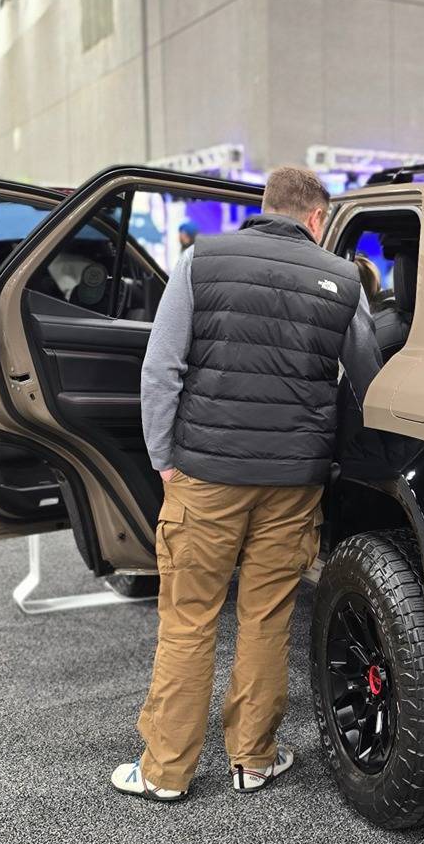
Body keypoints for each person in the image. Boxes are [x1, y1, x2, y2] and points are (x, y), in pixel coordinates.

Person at [116, 166, 380, 803]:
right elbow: (367, 381)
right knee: (266, 619)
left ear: (266, 206)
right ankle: (254, 760)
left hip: (206, 474)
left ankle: (165, 771)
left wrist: (163, 456)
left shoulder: (200, 260)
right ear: (316, 218)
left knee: (189, 620)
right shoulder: (344, 280)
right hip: (294, 483)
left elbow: (162, 368)